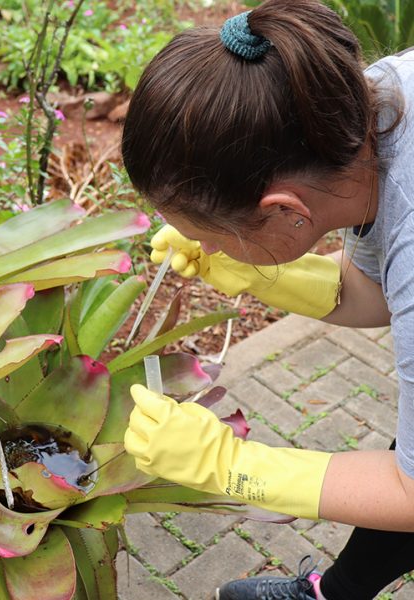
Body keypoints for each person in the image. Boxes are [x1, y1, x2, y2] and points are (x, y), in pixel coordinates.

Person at [120, 1, 414, 598]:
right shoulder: (362, 111)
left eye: (208, 235)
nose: (201, 247)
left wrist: (229, 467)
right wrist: (255, 272)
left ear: (285, 212)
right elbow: (383, 296)